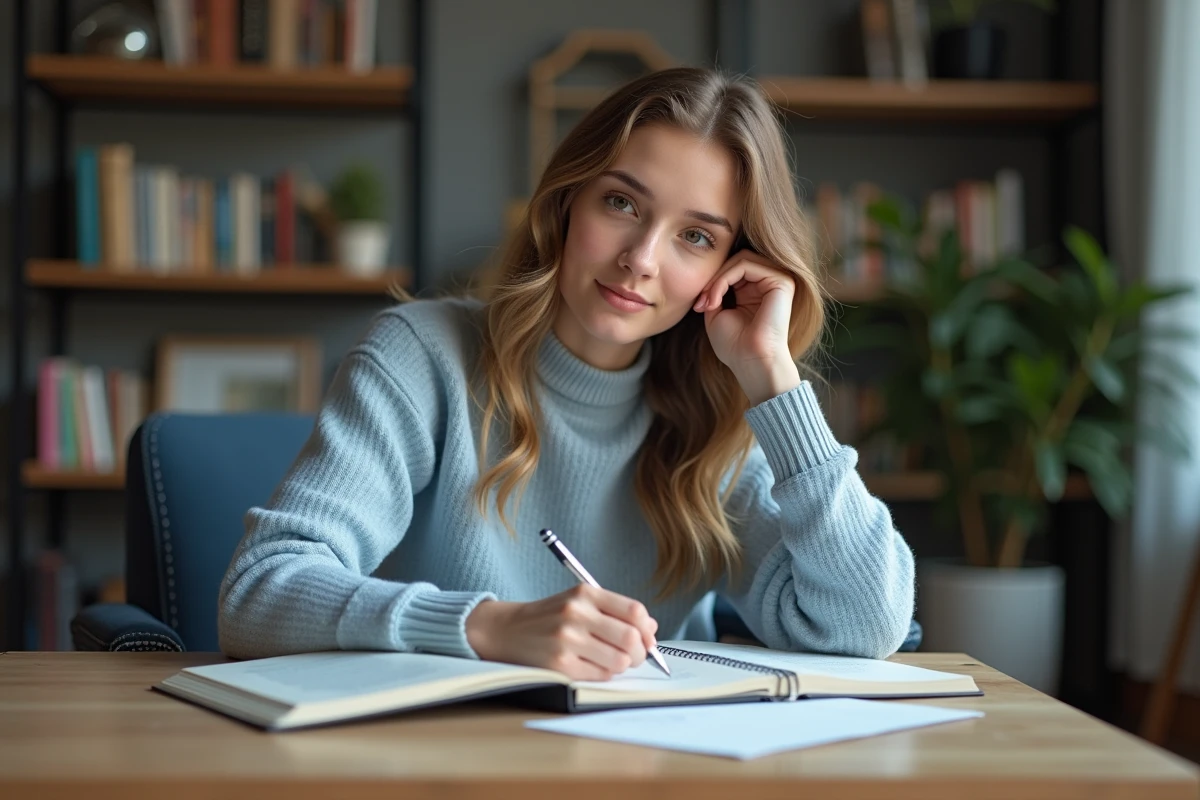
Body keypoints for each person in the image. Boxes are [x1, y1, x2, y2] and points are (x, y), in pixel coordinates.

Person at [218, 66, 915, 680]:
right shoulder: (420, 359)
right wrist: (486, 627)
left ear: (729, 270)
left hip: (650, 762)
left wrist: (772, 377)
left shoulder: (724, 420)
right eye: (621, 203)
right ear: (566, 202)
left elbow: (867, 625)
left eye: (695, 236)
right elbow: (258, 593)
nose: (641, 257)